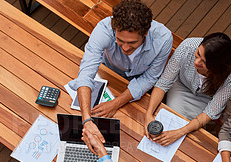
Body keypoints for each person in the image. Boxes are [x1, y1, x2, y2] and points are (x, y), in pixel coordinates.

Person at [69, 0, 172, 144]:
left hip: (139, 84)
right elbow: (86, 73)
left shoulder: (164, 39)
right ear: (114, 29)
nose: (125, 48)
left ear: (146, 33)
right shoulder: (103, 29)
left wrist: (116, 103)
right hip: (110, 73)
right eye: (120, 40)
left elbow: (150, 78)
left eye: (132, 43)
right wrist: (86, 119)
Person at [144, 33, 231, 146]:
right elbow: (163, 83)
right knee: (170, 123)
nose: (196, 62)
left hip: (207, 100)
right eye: (198, 54)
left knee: (185, 136)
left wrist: (179, 133)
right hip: (181, 86)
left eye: (204, 62)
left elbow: (211, 111)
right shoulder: (187, 46)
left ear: (217, 66)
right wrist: (148, 114)